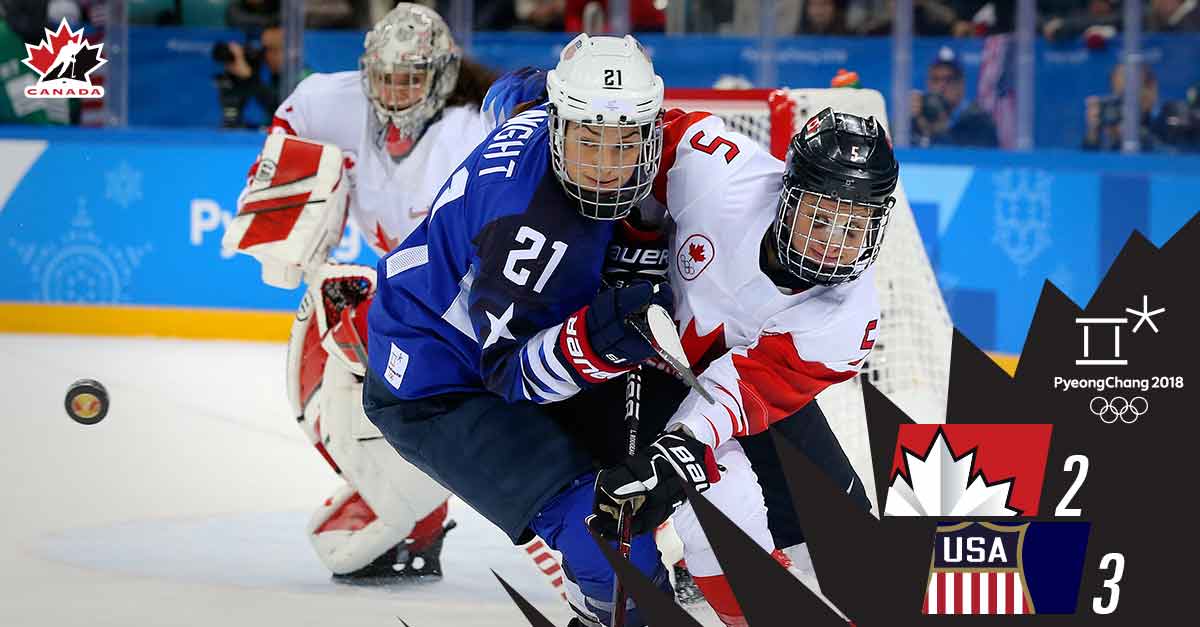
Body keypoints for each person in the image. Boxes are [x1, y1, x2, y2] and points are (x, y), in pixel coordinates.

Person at [363, 34, 685, 627]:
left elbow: (513, 93)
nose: (608, 169)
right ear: (562, 127)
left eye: (625, 144)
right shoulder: (532, 235)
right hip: (440, 388)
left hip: (481, 327)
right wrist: (606, 334)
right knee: (611, 544)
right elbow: (510, 375)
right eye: (590, 144)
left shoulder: (546, 109)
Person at [222, 3, 512, 582]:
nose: (396, 93)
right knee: (318, 361)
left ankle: (618, 526)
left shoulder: (473, 133)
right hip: (402, 288)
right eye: (385, 78)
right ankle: (410, 513)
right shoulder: (336, 100)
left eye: (411, 79)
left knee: (390, 379)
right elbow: (290, 126)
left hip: (468, 300)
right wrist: (280, 187)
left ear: (442, 75)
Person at [590, 106, 895, 626]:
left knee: (844, 542)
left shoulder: (850, 319)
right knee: (723, 508)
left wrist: (681, 448)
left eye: (853, 227)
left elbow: (741, 391)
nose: (831, 242)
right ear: (786, 195)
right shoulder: (719, 171)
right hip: (628, 361)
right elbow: (633, 138)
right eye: (820, 218)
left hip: (728, 390)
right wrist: (629, 236)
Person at [910, 47, 998, 148]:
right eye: (936, 79)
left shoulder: (979, 123)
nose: (941, 87)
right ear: (928, 83)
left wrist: (940, 132)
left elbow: (973, 160)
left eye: (949, 79)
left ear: (961, 84)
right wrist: (911, 123)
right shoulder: (917, 117)